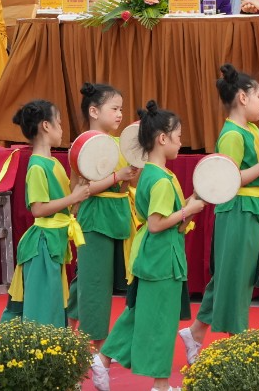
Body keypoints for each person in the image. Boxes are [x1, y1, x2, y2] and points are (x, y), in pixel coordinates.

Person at [181, 65, 259, 358]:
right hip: (237, 208)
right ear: (242, 97)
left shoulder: (253, 131)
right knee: (235, 276)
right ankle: (237, 343)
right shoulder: (232, 135)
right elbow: (227, 179)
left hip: (254, 208)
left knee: (235, 275)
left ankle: (196, 332)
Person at [101, 101, 203, 391]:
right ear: (162, 139)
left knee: (142, 314)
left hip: (158, 256)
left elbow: (171, 221)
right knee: (161, 323)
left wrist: (192, 205)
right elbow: (157, 224)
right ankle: (160, 385)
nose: (181, 142)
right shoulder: (160, 179)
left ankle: (104, 359)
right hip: (161, 259)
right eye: (178, 136)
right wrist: (188, 210)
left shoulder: (155, 173)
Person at [69, 82, 139, 391]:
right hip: (95, 218)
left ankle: (73, 334)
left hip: (120, 217)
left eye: (122, 108)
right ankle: (94, 351)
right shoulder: (85, 143)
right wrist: (116, 177)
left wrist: (131, 173)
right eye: (114, 108)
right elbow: (81, 190)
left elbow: (125, 186)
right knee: (94, 286)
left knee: (92, 281)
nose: (120, 114)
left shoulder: (120, 144)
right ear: (94, 111)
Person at [0, 99, 90, 327]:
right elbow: (38, 209)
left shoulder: (54, 164)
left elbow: (69, 207)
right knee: (42, 307)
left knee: (54, 303)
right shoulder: (37, 166)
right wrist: (73, 197)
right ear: (46, 126)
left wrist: (79, 175)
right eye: (59, 122)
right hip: (42, 244)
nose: (62, 129)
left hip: (55, 242)